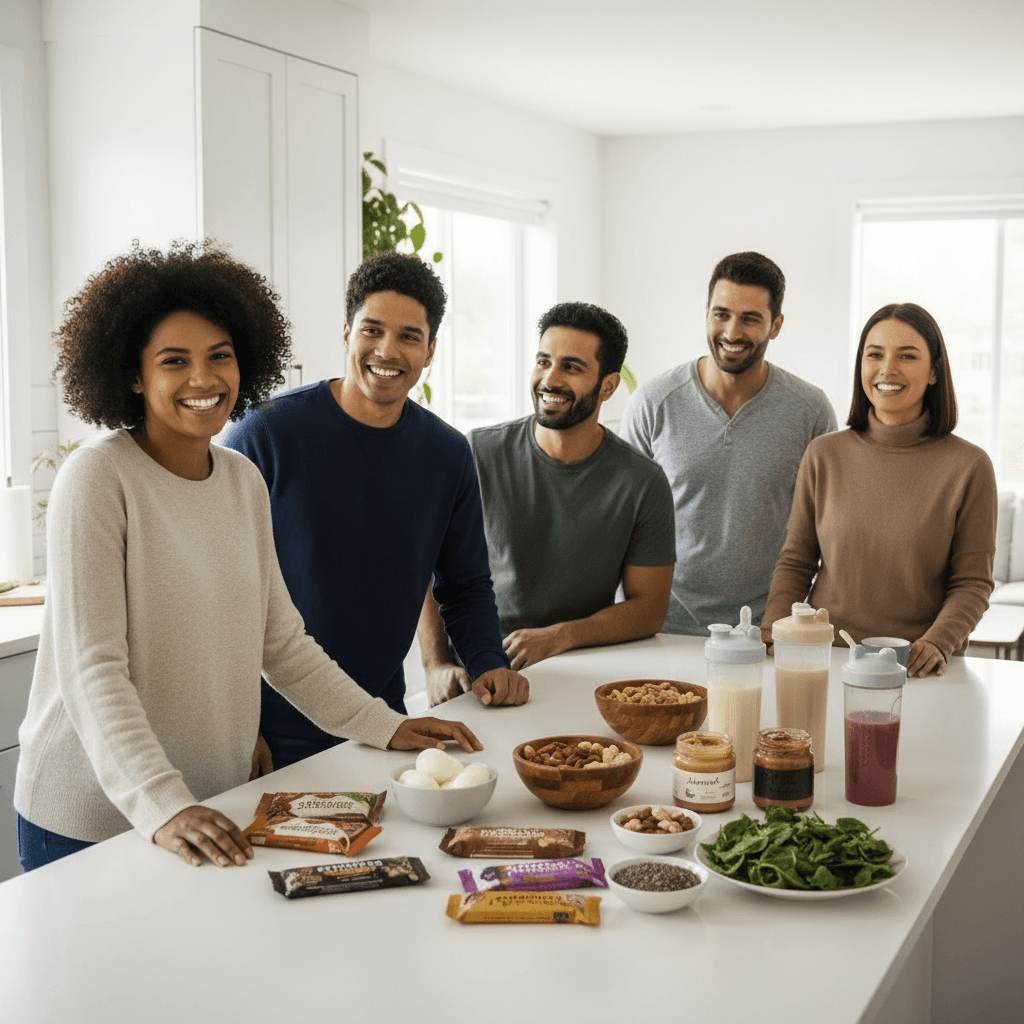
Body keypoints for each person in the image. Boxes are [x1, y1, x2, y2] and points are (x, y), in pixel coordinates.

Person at [14, 241, 482, 873]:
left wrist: (383, 725)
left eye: (220, 356)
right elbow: (92, 671)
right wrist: (162, 803)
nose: (202, 379)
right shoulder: (98, 479)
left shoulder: (241, 481)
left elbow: (282, 644)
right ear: (133, 374)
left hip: (211, 805)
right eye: (174, 361)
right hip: (95, 819)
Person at [223, 251, 528, 769]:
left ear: (430, 351)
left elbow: (465, 583)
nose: (388, 350)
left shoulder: (447, 454)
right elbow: (220, 593)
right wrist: (238, 725)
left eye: (409, 336)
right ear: (347, 333)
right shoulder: (265, 434)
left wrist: (487, 664)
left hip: (383, 724)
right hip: (270, 731)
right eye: (372, 330)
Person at [418, 302, 676, 697]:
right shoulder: (477, 453)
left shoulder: (642, 481)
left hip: (580, 672)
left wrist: (561, 635)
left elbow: (649, 609)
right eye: (543, 362)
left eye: (571, 367)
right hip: (473, 674)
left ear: (608, 386)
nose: (549, 379)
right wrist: (435, 665)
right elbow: (427, 567)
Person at [763, 302, 997, 678]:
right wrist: (774, 628)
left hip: (916, 668)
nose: (888, 369)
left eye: (907, 356)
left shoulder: (970, 466)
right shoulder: (823, 454)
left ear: (934, 371)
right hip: (824, 660)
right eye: (875, 355)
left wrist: (938, 642)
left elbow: (973, 582)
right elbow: (796, 561)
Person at [620, 251, 837, 635]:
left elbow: (823, 532)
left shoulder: (811, 410)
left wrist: (787, 621)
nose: (732, 332)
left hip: (767, 630)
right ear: (706, 314)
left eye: (750, 318)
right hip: (663, 627)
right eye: (721, 314)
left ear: (776, 325)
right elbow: (624, 523)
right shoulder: (652, 403)